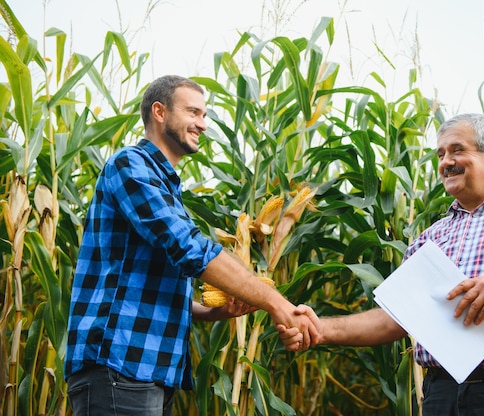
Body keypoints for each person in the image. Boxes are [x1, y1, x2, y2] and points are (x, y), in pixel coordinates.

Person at [279, 113, 484, 416]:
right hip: (440, 396)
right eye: (440, 154)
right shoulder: (430, 237)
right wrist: (322, 329)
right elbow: (396, 320)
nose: (446, 162)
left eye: (457, 150)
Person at [64, 75, 318, 415]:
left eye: (205, 115)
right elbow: (189, 248)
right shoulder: (130, 166)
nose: (203, 124)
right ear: (159, 111)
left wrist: (216, 312)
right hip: (120, 366)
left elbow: (147, 293)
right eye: (193, 112)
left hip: (148, 371)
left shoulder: (167, 190)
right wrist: (275, 302)